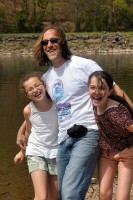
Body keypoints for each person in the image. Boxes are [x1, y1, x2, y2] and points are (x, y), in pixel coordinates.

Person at [16, 26, 133, 200]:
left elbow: (116, 91)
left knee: (70, 194)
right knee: (63, 194)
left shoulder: (84, 65)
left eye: (53, 40)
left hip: (87, 134)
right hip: (62, 140)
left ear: (62, 42)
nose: (49, 45)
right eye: (45, 42)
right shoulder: (47, 78)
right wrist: (22, 130)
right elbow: (42, 106)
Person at [88, 70, 133, 200]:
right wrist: (24, 128)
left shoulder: (115, 112)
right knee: (103, 194)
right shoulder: (93, 104)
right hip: (107, 153)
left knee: (122, 197)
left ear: (110, 91)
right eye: (92, 88)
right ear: (88, 89)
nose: (96, 92)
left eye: (102, 88)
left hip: (126, 153)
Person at [14, 72, 58, 200]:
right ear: (27, 95)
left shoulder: (57, 104)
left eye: (37, 85)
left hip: (55, 152)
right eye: (30, 89)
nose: (35, 90)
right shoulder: (28, 110)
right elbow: (28, 132)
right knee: (41, 196)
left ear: (45, 86)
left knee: (54, 196)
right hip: (36, 151)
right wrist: (23, 151)